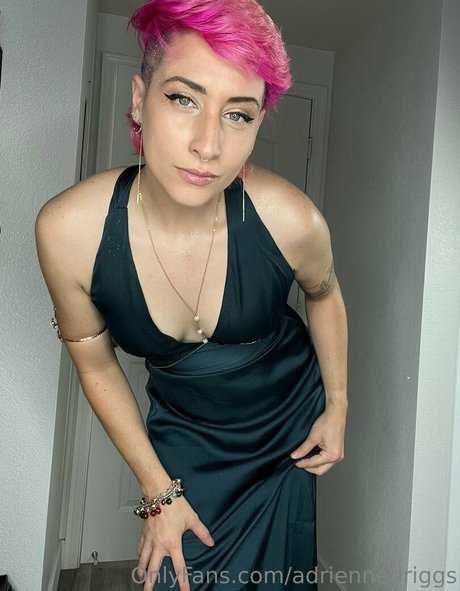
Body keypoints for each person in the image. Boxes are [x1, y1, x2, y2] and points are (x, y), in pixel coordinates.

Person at [36, 0, 348, 589]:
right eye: (184, 99)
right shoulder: (70, 231)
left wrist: (337, 405)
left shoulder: (290, 217)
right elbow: (95, 363)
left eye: (238, 114)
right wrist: (158, 493)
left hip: (286, 424)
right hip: (186, 432)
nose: (209, 145)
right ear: (139, 101)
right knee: (179, 573)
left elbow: (324, 294)